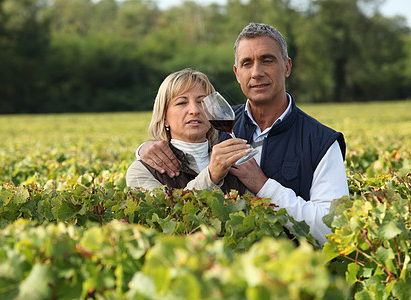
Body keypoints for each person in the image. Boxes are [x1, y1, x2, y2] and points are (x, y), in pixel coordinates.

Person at [136, 23, 349, 246]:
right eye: (247, 63)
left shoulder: (322, 142)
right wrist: (147, 146)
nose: (256, 73)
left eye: (267, 60)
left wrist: (264, 186)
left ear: (286, 67)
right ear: (237, 73)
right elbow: (184, 145)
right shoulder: (216, 125)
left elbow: (332, 229)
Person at [126, 68, 252, 194]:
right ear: (164, 118)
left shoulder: (236, 165)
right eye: (181, 103)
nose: (194, 110)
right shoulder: (141, 171)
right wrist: (211, 176)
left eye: (202, 102)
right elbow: (170, 212)